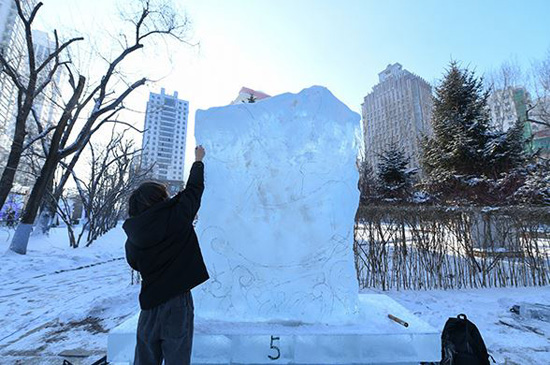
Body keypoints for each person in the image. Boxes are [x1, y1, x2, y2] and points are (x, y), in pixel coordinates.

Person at [123, 145, 209, 365]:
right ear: (160, 199)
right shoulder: (177, 217)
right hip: (177, 303)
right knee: (177, 359)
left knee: (145, 360)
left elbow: (134, 262)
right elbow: (194, 190)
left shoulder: (134, 232)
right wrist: (198, 160)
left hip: (149, 305)